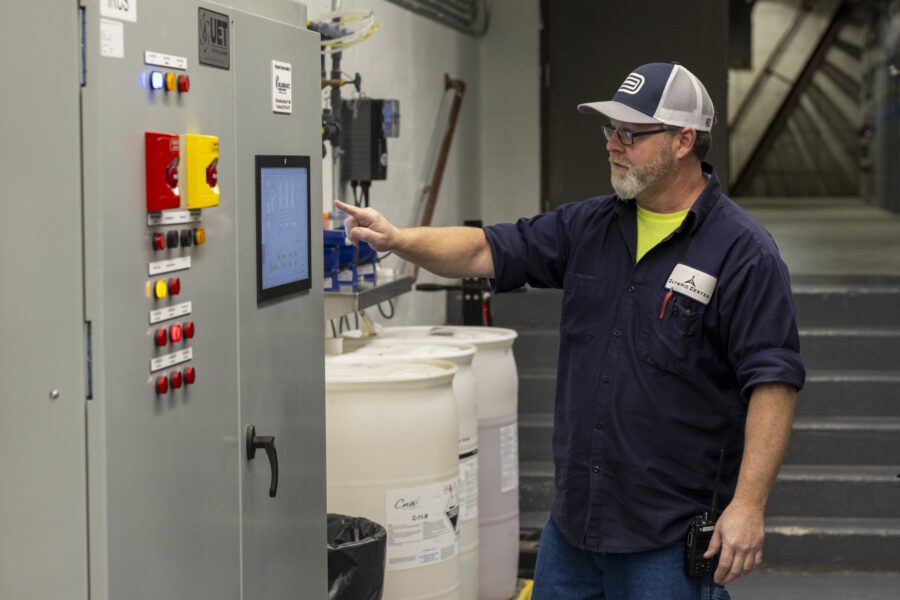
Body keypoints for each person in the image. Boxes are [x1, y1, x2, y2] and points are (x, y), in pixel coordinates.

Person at [336, 62, 805, 600]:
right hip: (575, 530)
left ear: (684, 141)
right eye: (611, 130)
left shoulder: (742, 252)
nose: (613, 144)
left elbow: (773, 381)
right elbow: (485, 248)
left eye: (631, 133)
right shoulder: (588, 227)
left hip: (668, 540)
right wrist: (398, 238)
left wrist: (747, 506)